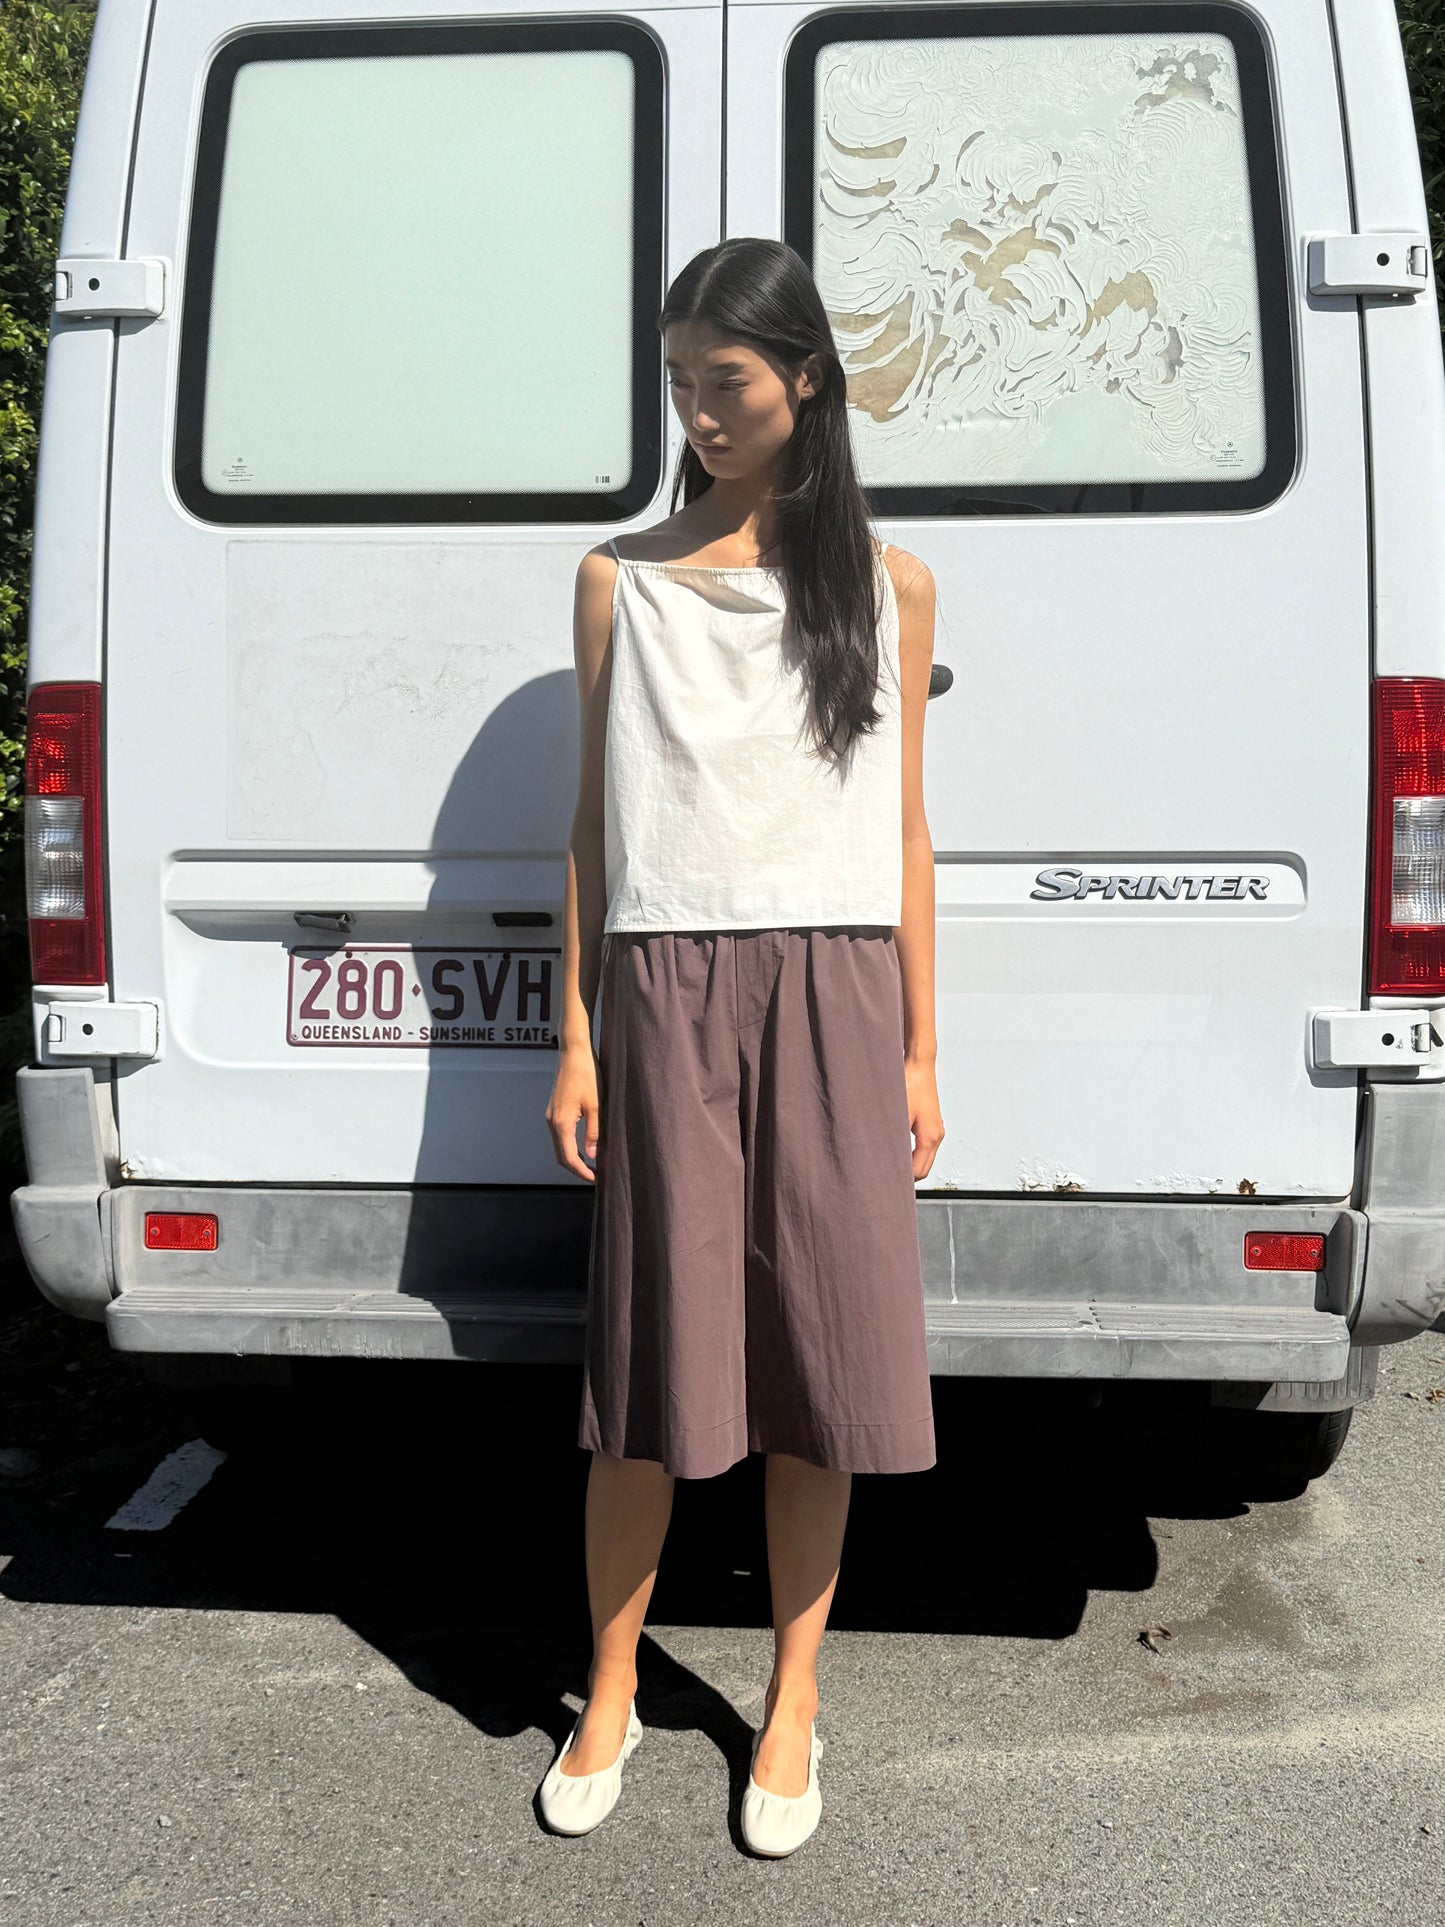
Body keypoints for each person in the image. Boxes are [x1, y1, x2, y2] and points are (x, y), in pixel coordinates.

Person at [540, 236, 944, 1857]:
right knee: (649, 1370)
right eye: (679, 385)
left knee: (818, 1373)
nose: (701, 413)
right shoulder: (616, 580)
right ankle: (614, 1685)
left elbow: (908, 836)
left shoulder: (885, 584)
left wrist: (920, 1049)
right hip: (665, 989)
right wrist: (571, 1034)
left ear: (805, 381)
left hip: (838, 991)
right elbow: (588, 828)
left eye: (729, 382)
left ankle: (791, 1703)